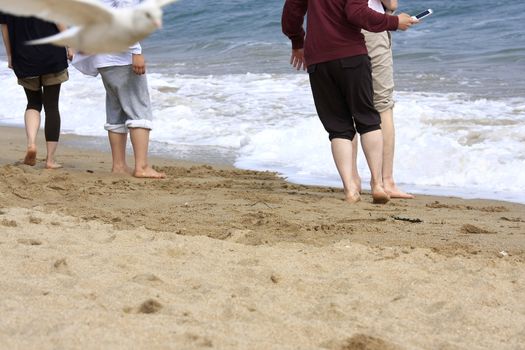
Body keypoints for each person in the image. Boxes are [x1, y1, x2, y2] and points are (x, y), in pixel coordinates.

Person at [282, 0, 417, 204]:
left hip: (318, 57)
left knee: (338, 127)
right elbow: (356, 12)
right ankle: (379, 184)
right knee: (369, 119)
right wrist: (394, 21)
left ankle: (350, 188)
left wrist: (297, 41)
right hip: (351, 53)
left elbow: (291, 15)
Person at [73, 0, 165, 179]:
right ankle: (142, 166)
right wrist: (136, 51)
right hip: (120, 56)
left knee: (116, 111)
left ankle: (119, 165)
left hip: (103, 56)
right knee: (139, 110)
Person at [351, 0, 414, 199]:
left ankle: (352, 181)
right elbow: (391, 4)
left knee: (349, 105)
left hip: (338, 30)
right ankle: (385, 181)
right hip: (371, 28)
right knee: (382, 106)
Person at [0, 13, 71, 169]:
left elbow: (4, 27)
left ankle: (31, 143)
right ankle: (50, 160)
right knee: (51, 106)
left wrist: (10, 55)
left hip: (24, 57)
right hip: (52, 54)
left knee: (33, 103)